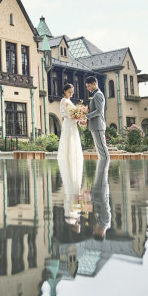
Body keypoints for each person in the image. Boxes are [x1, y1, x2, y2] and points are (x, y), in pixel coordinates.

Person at [58, 83, 84, 220]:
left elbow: (73, 113)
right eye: (69, 91)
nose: (71, 93)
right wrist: (74, 116)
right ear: (64, 91)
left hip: (73, 125)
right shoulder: (64, 101)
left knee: (74, 141)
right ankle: (68, 158)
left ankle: (74, 158)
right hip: (68, 124)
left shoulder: (70, 101)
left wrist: (78, 117)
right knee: (69, 141)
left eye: (72, 91)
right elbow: (63, 113)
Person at [84, 75, 109, 161]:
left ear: (94, 84)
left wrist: (86, 116)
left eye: (88, 86)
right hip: (95, 126)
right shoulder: (96, 95)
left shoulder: (98, 95)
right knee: (100, 150)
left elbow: (99, 111)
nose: (87, 88)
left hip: (98, 126)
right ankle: (102, 171)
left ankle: (105, 168)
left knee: (102, 150)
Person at [91, 157, 111, 241]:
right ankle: (105, 159)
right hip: (101, 191)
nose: (94, 229)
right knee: (102, 171)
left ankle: (103, 160)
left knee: (99, 172)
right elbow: (104, 204)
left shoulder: (101, 222)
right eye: (95, 231)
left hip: (98, 192)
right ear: (101, 233)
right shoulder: (105, 222)